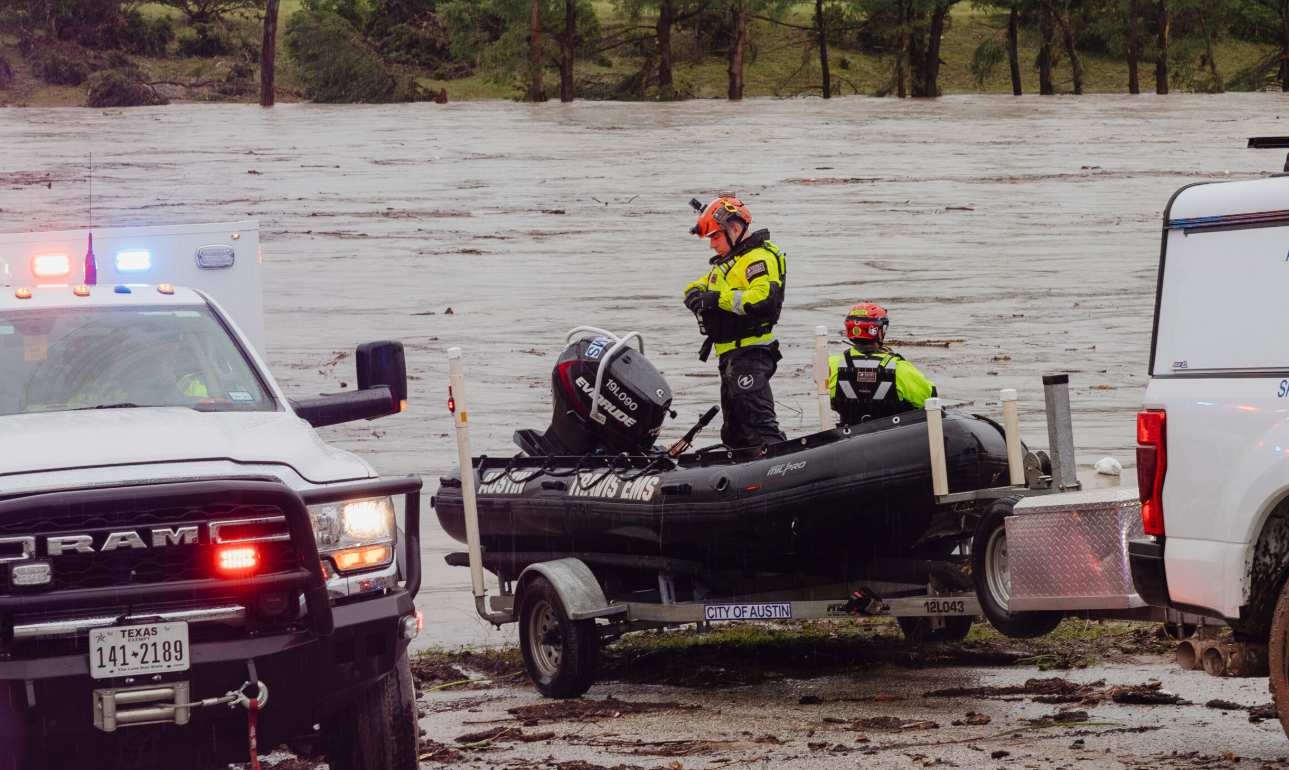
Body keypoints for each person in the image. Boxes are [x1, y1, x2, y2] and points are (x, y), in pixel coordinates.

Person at [682, 196, 787, 449]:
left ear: (735, 229)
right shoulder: (730, 261)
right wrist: (695, 294)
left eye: (715, 237)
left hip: (751, 353)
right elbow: (700, 284)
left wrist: (717, 299)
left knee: (758, 425)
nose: (712, 245)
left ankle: (777, 468)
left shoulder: (756, 259)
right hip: (731, 355)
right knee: (734, 429)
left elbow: (762, 299)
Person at [828, 302, 936, 425]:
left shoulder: (834, 365)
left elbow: (828, 401)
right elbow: (929, 398)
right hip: (894, 439)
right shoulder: (899, 368)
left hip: (849, 438)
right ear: (877, 332)